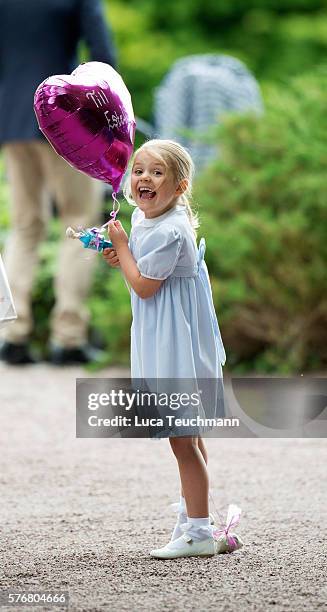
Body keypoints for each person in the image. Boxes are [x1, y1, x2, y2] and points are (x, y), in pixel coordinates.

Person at [103, 139, 241, 559]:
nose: (144, 177)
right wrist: (123, 255)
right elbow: (142, 272)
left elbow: (144, 287)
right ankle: (193, 515)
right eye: (139, 170)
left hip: (173, 343)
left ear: (180, 187)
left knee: (181, 438)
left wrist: (124, 250)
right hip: (171, 335)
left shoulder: (168, 229)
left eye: (157, 172)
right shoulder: (152, 219)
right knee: (190, 435)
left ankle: (198, 533)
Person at [0, 0, 116, 365]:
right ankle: (68, 338)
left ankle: (11, 336)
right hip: (63, 119)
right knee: (81, 219)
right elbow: (102, 57)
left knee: (26, 225)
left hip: (12, 119)